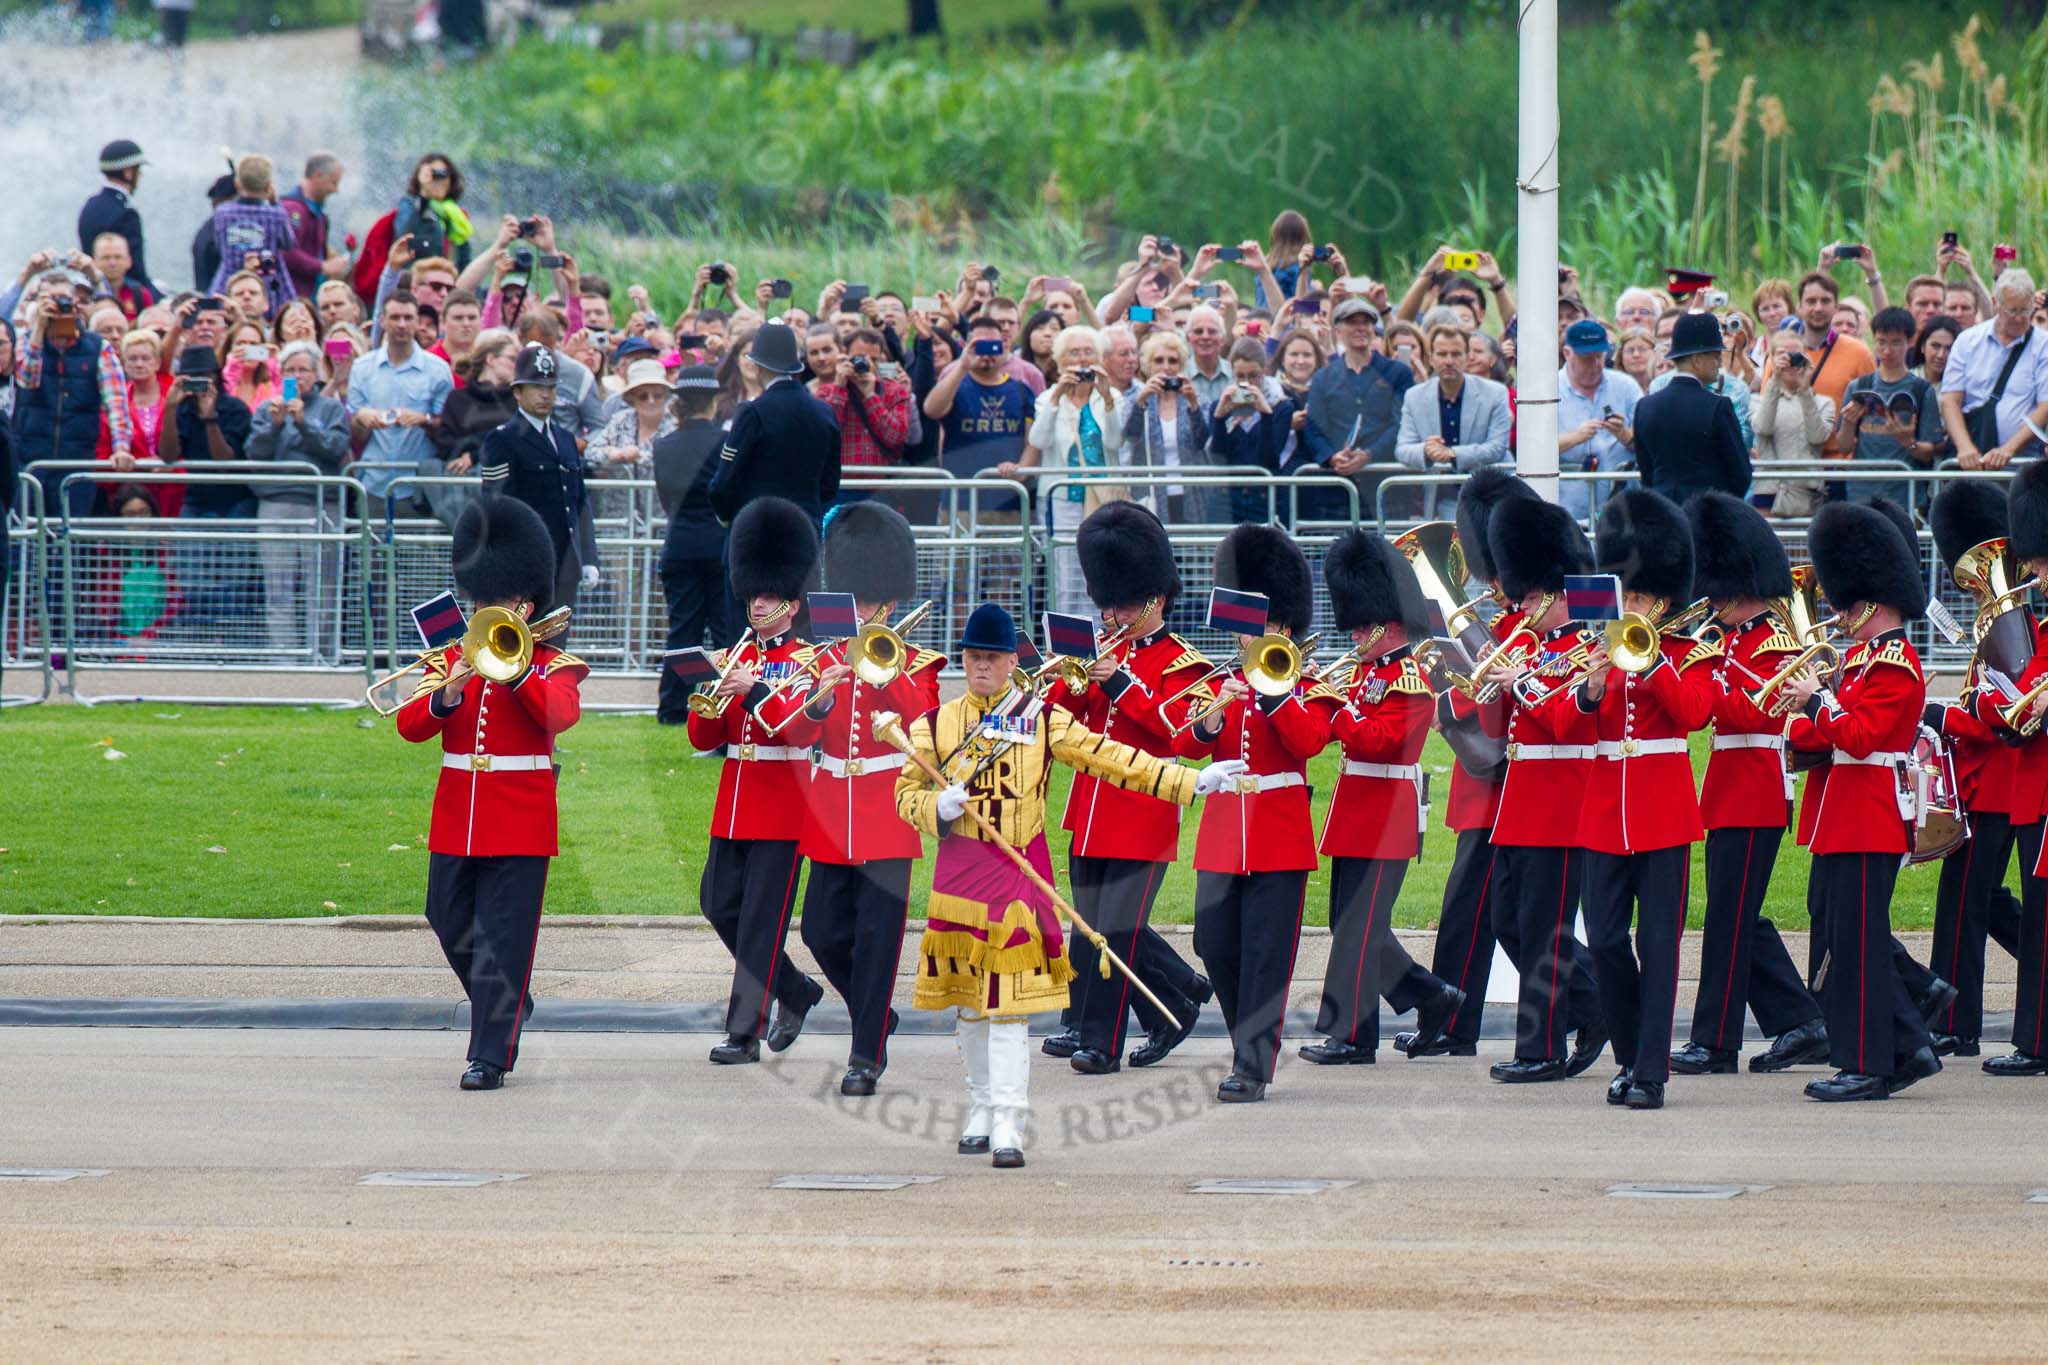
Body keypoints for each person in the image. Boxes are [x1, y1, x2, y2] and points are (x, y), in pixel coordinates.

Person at [895, 602, 1240, 1164]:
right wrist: (935, 804)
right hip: (958, 879)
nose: (982, 667)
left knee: (1007, 1008)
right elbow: (905, 795)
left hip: (1014, 880)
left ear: (1011, 662)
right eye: (974, 658)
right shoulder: (933, 725)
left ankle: (1009, 1117)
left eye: (992, 658)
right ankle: (981, 1104)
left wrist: (1192, 779)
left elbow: (1112, 757)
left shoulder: (1039, 717)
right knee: (969, 1007)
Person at [394, 498, 587, 1092]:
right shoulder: (452, 656)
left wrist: (516, 669)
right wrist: (447, 693)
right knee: (446, 917)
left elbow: (559, 716)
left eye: (495, 598)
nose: (482, 607)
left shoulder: (552, 663)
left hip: (521, 813)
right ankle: (510, 1000)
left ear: (525, 604)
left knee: (505, 935)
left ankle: (490, 1055)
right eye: (480, 596)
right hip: (459, 809)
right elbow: (410, 725)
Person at [1038, 503, 1217, 1073]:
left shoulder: (1183, 664)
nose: (1111, 614)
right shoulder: (1103, 652)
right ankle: (1175, 1001)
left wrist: (1121, 684)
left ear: (1156, 599)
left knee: (1115, 929)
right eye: (1106, 603)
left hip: (1143, 812)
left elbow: (1182, 735)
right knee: (1095, 926)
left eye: (1123, 604)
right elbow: (1064, 717)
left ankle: (1102, 1042)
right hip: (1090, 807)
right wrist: (1061, 676)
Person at [775, 503, 944, 1095]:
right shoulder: (819, 658)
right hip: (830, 812)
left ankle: (865, 1053)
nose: (857, 611)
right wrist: (820, 699)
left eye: (868, 604)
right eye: (853, 600)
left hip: (886, 811)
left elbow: (925, 717)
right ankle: (876, 1018)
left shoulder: (916, 661)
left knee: (877, 945)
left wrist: (878, 667)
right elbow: (793, 732)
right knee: (821, 932)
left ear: (888, 606)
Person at [1174, 525, 1340, 1103]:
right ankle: (1249, 1036)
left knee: (1268, 956)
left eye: (1264, 626)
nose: (1252, 637)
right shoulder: (1219, 680)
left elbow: (1309, 742)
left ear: (1285, 628)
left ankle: (1252, 1062)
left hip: (1278, 832)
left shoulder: (1310, 682)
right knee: (1214, 942)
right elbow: (1189, 747)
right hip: (1224, 834)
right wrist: (1210, 723)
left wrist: (1273, 691)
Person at [1782, 501, 1941, 1102]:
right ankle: (1905, 1048)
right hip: (1842, 814)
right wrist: (1812, 714)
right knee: (1845, 941)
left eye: (1846, 604)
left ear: (1872, 601)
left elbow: (1859, 735)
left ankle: (1871, 1063)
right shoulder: (1859, 662)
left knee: (1859, 946)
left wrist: (1818, 702)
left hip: (1871, 814)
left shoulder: (1895, 664)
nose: (1838, 613)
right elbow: (1822, 738)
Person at [1669, 493, 1828, 1077]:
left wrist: (1712, 677)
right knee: (1736, 914)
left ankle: (1715, 1042)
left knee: (1728, 919)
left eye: (1720, 593)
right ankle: (1801, 1022)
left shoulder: (1773, 643)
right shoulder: (1728, 639)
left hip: (1757, 787)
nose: (1713, 603)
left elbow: (1757, 715)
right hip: (1728, 788)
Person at [1569, 490, 1717, 1111]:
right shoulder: (1600, 648)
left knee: (1659, 944)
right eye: (1625, 596)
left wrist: (1651, 663)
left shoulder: (1690, 652)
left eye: (1640, 598)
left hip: (1661, 810)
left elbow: (1695, 714)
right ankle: (1627, 1054)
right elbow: (1571, 722)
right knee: (1604, 940)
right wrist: (1592, 687)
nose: (1630, 607)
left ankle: (1650, 1072)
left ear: (1663, 600)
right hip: (1605, 812)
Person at [1300, 528, 1466, 1066]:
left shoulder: (1411, 674)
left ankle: (1352, 1036)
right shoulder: (1364, 672)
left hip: (1388, 810)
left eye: (1363, 627)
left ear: (1388, 624)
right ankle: (1431, 996)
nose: (1354, 637)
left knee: (1361, 926)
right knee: (1347, 923)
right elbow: (1335, 734)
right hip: (1354, 808)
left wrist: (1339, 710)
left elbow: (1386, 740)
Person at [1396, 468, 1539, 1059]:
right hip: (1481, 773)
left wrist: (1457, 691)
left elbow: (1505, 696)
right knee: (1467, 912)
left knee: (1495, 913)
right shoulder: (1495, 618)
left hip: (1512, 775)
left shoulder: (1521, 625)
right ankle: (1453, 1024)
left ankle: (1579, 1009)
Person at [685, 497, 827, 1066]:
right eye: (752, 595)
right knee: (718, 905)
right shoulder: (735, 653)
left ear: (791, 602)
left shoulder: (809, 661)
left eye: (767, 596)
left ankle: (743, 1032)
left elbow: (797, 732)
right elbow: (702, 737)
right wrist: (712, 688)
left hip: (784, 805)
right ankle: (795, 990)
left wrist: (754, 690)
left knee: (761, 923)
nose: (757, 604)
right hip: (735, 801)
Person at [1477, 499, 1609, 1083]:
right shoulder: (1528, 648)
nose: (1522, 608)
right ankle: (1595, 1001)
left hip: (1560, 801)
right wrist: (1493, 673)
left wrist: (1520, 682)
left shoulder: (1588, 650)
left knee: (1545, 931)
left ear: (1559, 595)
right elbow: (1498, 719)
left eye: (1531, 599)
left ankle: (1542, 1049)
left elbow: (1564, 721)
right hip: (1521, 799)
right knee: (1508, 918)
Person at [1923, 479, 2027, 1058]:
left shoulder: (2014, 623)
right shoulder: (1997, 620)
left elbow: (2004, 712)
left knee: (1964, 904)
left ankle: (1955, 1021)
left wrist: (1945, 714)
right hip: (1986, 782)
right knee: (1983, 901)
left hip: (1999, 782)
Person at [1979, 457, 2048, 1077]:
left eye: (2039, 560)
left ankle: (2038, 1042)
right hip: (2034, 791)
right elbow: (2015, 702)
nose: (2033, 573)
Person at [1004, 326, 1123, 616]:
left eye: (1088, 352)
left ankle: (1099, 644)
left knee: (1099, 573)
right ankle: (1064, 649)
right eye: (1074, 353)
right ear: (1059, 361)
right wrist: (1057, 397)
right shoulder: (1047, 398)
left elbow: (1114, 442)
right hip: (1060, 498)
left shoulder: (1113, 396)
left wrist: (1107, 400)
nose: (1082, 360)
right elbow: (1038, 441)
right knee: (1064, 576)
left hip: (1101, 498)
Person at [243, 340, 349, 657]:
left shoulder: (331, 408)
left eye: (304, 369)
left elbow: (335, 448)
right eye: (291, 370)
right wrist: (275, 427)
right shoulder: (267, 409)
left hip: (321, 504)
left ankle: (323, 656)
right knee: (278, 587)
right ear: (281, 374)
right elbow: (254, 452)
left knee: (323, 588)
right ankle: (284, 658)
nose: (298, 376)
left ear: (316, 374)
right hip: (276, 505)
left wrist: (305, 424)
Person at [478, 344, 596, 617]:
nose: (545, 394)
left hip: (566, 563)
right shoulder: (502, 439)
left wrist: (588, 557)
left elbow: (579, 501)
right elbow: (496, 507)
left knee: (556, 651)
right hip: (525, 564)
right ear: (517, 392)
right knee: (522, 650)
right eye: (536, 387)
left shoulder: (566, 439)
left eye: (551, 388)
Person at [655, 367, 735, 721]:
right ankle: (721, 700)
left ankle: (674, 705)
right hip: (718, 544)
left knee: (683, 630)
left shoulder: (664, 445)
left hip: (681, 543)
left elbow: (666, 500)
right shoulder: (725, 443)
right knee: (723, 629)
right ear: (715, 399)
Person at [708, 321, 840, 524]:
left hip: (757, 530)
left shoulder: (752, 412)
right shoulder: (825, 413)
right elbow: (829, 485)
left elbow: (723, 484)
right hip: (805, 529)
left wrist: (728, 517)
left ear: (757, 365)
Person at [15, 288, 130, 516]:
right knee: (28, 539)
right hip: (30, 460)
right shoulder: (28, 341)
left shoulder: (97, 348)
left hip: (76, 461)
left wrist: (121, 448)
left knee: (71, 538)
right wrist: (38, 327)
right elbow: (26, 380)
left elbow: (116, 401)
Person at [1300, 298, 1411, 519]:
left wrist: (1370, 454)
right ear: (1338, 331)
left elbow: (1402, 423)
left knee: (1388, 552)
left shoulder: (1397, 372)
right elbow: (1313, 428)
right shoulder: (1323, 378)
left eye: (1366, 322)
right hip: (1338, 488)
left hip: (1386, 485)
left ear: (1374, 330)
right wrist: (1331, 457)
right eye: (1352, 322)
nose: (1360, 328)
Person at [1393, 324, 1512, 518]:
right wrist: (1426, 450)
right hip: (1442, 499)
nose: (1449, 361)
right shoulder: (1414, 396)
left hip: (1492, 495)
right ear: (1431, 358)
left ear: (1467, 358)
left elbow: (1498, 447)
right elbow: (1402, 449)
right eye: (1442, 354)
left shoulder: (1496, 393)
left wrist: (1452, 454)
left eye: (1456, 354)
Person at [1829, 306, 1942, 510]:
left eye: (1896, 343)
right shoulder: (1858, 386)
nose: (1887, 351)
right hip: (1860, 494)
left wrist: (1908, 442)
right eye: (1881, 342)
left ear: (1909, 342)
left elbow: (1929, 452)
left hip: (1905, 497)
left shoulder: (1921, 390)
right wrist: (1848, 422)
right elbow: (1844, 446)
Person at [1631, 313, 1751, 503]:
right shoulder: (1718, 406)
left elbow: (1646, 472)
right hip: (1708, 516)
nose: (1720, 363)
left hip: (1664, 514)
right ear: (1697, 360)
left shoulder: (1645, 406)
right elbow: (1741, 475)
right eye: (1715, 356)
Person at [347, 290, 454, 501]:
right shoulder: (361, 368)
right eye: (395, 317)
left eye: (408, 318)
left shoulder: (438, 369)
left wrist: (424, 420)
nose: (402, 324)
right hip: (373, 483)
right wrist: (362, 417)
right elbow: (356, 435)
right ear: (382, 321)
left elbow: (448, 429)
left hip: (419, 486)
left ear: (417, 322)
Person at [1938, 268, 2048, 471]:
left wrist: (2008, 450)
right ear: (1996, 304)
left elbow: (2045, 407)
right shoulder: (1968, 341)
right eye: (2012, 311)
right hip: (1973, 453)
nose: (2019, 318)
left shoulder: (2043, 346)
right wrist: (1964, 447)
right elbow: (1950, 400)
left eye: (2025, 311)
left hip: (2021, 461)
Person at [1122, 328, 1219, 523]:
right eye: (1159, 360)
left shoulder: (1199, 398)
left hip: (1191, 490)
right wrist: (1141, 402)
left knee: (1190, 549)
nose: (1166, 367)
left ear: (1181, 365)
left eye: (1173, 361)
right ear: (1148, 365)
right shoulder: (1135, 399)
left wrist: (1193, 405)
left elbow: (1203, 442)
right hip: (1151, 492)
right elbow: (1130, 437)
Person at [1553, 319, 1639, 520]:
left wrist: (1625, 435)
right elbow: (1532, 450)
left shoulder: (1626, 386)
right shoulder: (1547, 390)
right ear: (1567, 353)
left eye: (1600, 356)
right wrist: (1575, 437)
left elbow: (1649, 443)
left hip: (1622, 509)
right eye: (1586, 357)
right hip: (1567, 511)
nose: (1596, 364)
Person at [1750, 328, 1834, 519]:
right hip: (1769, 491)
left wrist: (1805, 390)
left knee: (1803, 548)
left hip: (1806, 493)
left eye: (1795, 355)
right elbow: (1763, 428)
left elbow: (1817, 437)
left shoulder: (1823, 403)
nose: (1789, 362)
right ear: (1771, 358)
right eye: (1782, 355)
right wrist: (1774, 380)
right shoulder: (1757, 401)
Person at [584, 358, 676, 529]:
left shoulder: (677, 425)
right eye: (643, 396)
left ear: (666, 395)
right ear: (632, 398)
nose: (651, 401)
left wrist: (637, 456)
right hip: (619, 523)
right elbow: (591, 452)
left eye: (657, 395)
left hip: (661, 523)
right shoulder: (621, 420)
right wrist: (612, 454)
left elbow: (678, 461)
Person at [207, 156, 297, 313]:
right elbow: (289, 243)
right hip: (267, 286)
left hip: (228, 283)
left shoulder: (223, 212)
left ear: (237, 183)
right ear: (269, 185)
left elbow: (218, 245)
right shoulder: (276, 214)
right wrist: (275, 202)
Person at [78, 140, 156, 298]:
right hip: (121, 294)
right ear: (128, 172)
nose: (140, 175)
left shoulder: (91, 204)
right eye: (138, 170)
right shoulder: (125, 213)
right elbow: (135, 270)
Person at [279, 153, 349, 303]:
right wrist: (322, 266)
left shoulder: (318, 213)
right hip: (293, 294)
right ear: (318, 175)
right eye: (333, 183)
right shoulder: (293, 210)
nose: (336, 190)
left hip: (310, 294)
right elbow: (287, 252)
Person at [391, 153, 475, 271]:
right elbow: (403, 231)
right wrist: (425, 195)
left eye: (443, 174)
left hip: (449, 281)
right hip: (416, 279)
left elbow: (464, 258)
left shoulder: (456, 215)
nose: (438, 180)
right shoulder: (411, 205)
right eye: (434, 174)